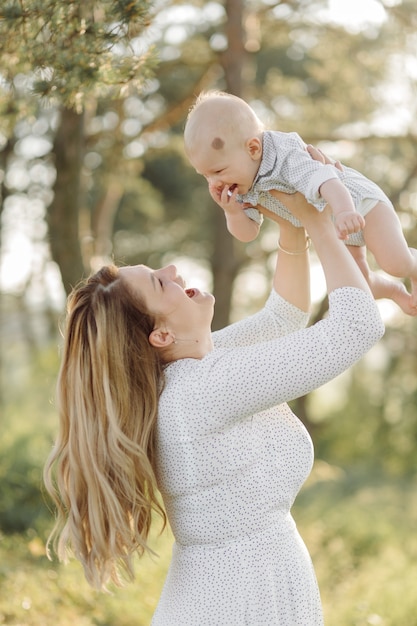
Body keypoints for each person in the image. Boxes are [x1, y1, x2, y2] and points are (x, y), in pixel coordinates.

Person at [43, 148, 384, 625]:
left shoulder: (186, 375)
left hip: (237, 591)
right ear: (160, 335)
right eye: (161, 283)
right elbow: (356, 328)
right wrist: (320, 222)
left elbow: (284, 321)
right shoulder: (203, 389)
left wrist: (291, 228)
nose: (174, 271)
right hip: (242, 600)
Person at [184, 90, 417, 316]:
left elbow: (327, 179)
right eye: (205, 176)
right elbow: (248, 234)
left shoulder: (284, 155)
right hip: (339, 228)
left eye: (218, 171)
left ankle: (413, 267)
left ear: (253, 148)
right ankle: (396, 292)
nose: (215, 182)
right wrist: (232, 213)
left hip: (360, 205)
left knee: (395, 263)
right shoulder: (242, 184)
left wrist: (345, 210)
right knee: (361, 284)